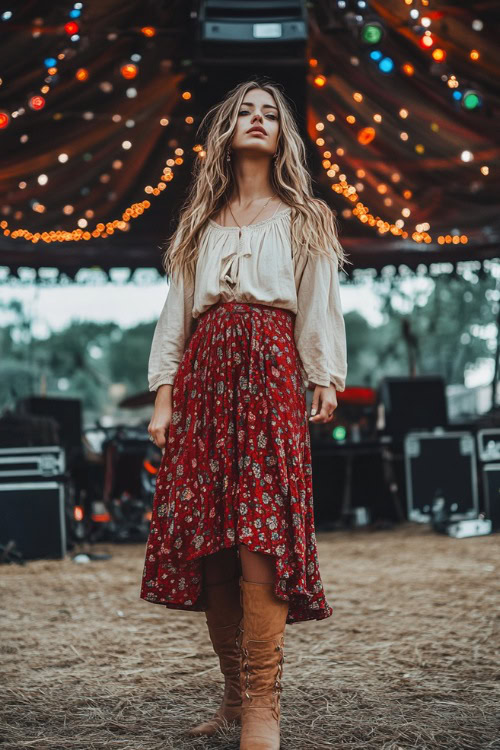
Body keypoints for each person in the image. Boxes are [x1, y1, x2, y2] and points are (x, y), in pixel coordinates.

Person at [140, 78, 349, 750]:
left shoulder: (305, 217)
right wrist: (165, 394)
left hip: (269, 380)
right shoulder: (198, 224)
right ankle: (233, 697)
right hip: (203, 383)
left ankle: (263, 705)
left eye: (270, 115)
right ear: (225, 133)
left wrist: (322, 374)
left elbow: (319, 304)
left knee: (261, 537)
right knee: (212, 548)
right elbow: (176, 315)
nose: (258, 121)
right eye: (245, 113)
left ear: (283, 136)